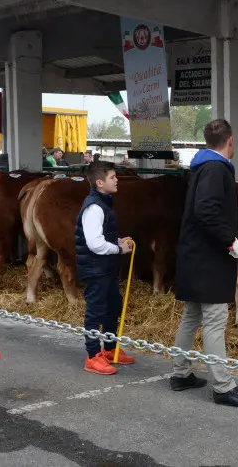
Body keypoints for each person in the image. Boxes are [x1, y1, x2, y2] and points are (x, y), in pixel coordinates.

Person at [170, 119, 238, 407]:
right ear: (230, 141)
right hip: (208, 259)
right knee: (215, 320)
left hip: (194, 255)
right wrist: (230, 241)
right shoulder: (216, 169)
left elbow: (222, 212)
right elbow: (207, 211)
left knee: (192, 316)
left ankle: (180, 373)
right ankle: (223, 386)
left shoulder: (202, 166)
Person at [74, 160, 136, 375]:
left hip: (104, 266)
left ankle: (109, 349)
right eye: (112, 177)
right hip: (95, 267)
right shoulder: (94, 207)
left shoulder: (103, 203)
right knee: (95, 310)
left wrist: (117, 241)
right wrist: (119, 250)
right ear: (100, 182)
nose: (117, 180)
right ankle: (92, 356)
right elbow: (94, 243)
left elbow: (102, 237)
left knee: (113, 305)